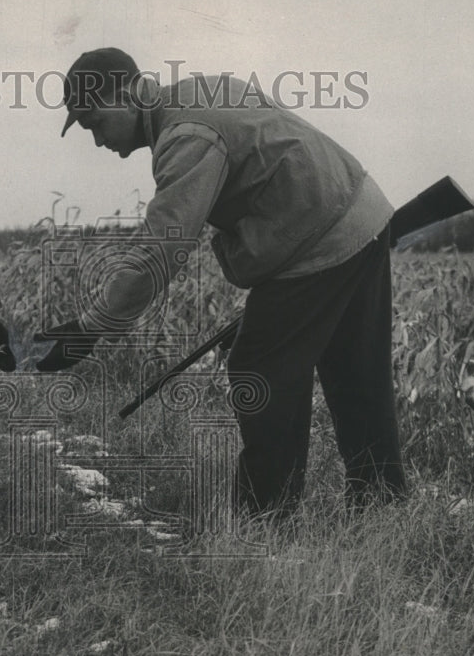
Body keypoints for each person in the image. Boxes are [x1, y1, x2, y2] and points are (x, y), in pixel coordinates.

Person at [35, 47, 407, 516]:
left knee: (260, 369)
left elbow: (161, 247)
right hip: (362, 215)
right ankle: (382, 506)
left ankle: (265, 520)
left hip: (320, 239)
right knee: (355, 372)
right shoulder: (198, 93)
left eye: (95, 123)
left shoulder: (187, 135)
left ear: (129, 95)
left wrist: (89, 327)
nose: (96, 140)